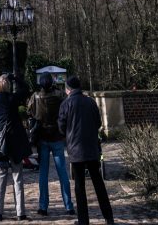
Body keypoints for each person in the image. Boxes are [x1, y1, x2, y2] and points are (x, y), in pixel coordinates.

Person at [58, 75, 114, 225]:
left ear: (68, 89)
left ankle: (84, 221)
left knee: (79, 187)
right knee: (98, 183)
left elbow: (61, 127)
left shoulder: (66, 104)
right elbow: (98, 122)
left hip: (76, 150)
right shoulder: (90, 102)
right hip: (91, 148)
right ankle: (109, 217)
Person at [27, 71, 74, 217]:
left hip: (42, 138)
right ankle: (68, 206)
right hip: (57, 137)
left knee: (43, 174)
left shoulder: (35, 97)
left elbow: (30, 114)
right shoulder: (60, 96)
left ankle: (43, 206)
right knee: (62, 173)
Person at [0, 72, 32, 222]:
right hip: (15, 144)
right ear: (8, 85)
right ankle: (21, 212)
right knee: (17, 178)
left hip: (1, 144)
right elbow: (26, 88)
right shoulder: (13, 98)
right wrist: (15, 77)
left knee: (0, 179)